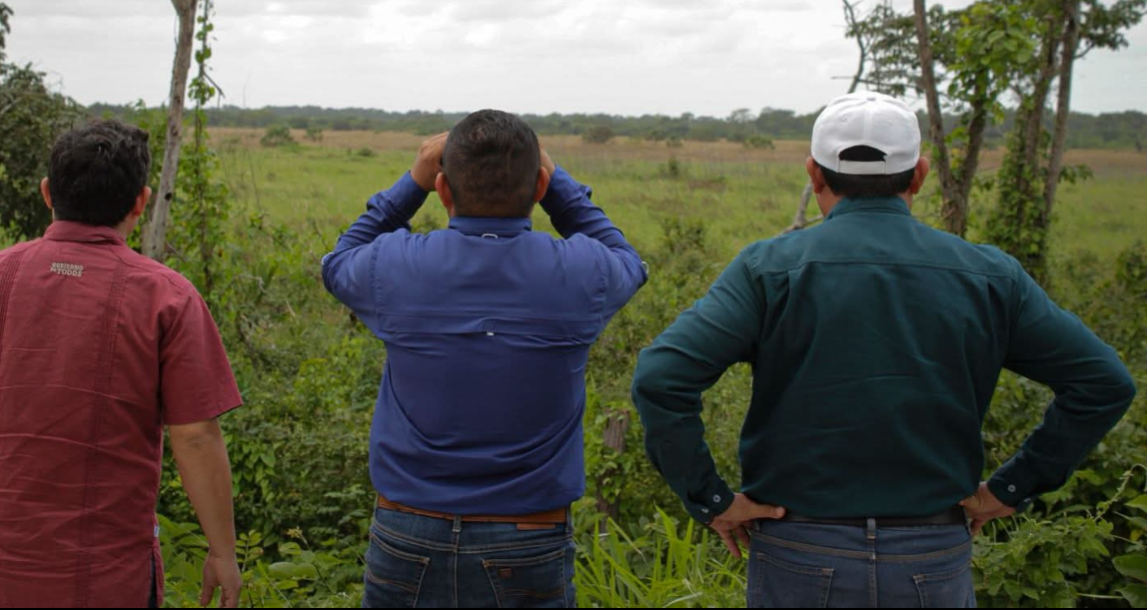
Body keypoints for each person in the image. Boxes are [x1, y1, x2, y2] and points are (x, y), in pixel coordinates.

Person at [631, 92, 1136, 608]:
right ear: (918, 176)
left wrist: (713, 500)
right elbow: (1103, 382)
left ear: (814, 173)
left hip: (799, 549)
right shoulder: (987, 275)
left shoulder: (768, 269)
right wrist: (1010, 488)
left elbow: (661, 377)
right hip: (931, 554)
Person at [0, 120, 244, 609]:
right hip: (111, 582)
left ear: (47, 193)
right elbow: (195, 435)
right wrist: (222, 551)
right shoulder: (167, 297)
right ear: (141, 202)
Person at [322, 109, 648, 609]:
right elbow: (628, 260)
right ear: (539, 187)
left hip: (408, 526)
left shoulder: (396, 265)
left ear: (443, 190)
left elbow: (339, 260)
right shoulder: (582, 273)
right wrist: (558, 184)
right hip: (529, 532)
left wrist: (412, 183)